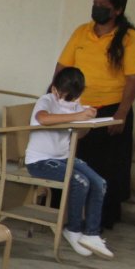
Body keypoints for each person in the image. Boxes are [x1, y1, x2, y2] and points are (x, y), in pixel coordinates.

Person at [54, 0, 135, 229]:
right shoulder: (82, 32)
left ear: (117, 10)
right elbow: (63, 67)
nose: (97, 9)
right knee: (72, 161)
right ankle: (67, 215)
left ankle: (100, 220)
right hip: (77, 107)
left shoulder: (129, 38)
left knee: (107, 168)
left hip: (110, 110)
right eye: (94, 4)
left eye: (103, 6)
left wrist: (121, 114)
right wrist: (56, 97)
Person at [26, 67, 111, 258]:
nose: (68, 101)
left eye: (73, 97)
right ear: (55, 89)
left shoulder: (75, 104)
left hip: (64, 157)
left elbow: (80, 133)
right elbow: (43, 119)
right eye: (65, 96)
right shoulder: (46, 100)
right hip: (40, 161)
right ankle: (73, 229)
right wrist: (77, 117)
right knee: (80, 181)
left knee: (100, 182)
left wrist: (88, 121)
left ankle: (91, 233)